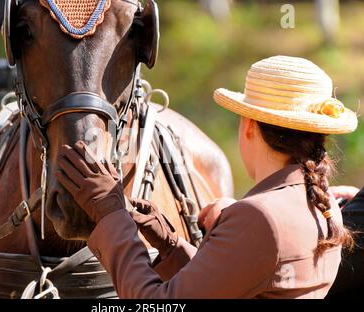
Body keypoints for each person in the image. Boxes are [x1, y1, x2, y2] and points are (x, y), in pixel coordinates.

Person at [57, 56, 358, 298]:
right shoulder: (324, 202)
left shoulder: (257, 217)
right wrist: (171, 245)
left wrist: (112, 216)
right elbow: (234, 281)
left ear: (249, 126)